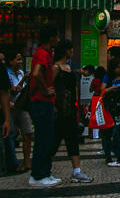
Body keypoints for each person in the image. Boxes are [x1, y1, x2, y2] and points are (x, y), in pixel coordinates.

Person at [51, 39, 93, 183]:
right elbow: (49, 86)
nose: (73, 52)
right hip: (59, 111)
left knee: (72, 140)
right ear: (66, 51)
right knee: (55, 140)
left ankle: (77, 171)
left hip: (70, 110)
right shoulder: (56, 68)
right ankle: (45, 168)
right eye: (71, 49)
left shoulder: (69, 69)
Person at [29, 24, 61, 188]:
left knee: (46, 139)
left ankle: (44, 173)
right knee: (43, 139)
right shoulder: (43, 53)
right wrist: (45, 90)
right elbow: (36, 73)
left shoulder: (43, 53)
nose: (58, 39)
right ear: (51, 38)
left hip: (45, 102)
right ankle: (38, 175)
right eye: (57, 36)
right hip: (42, 101)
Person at [7, 48, 31, 173]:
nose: (20, 62)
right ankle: (12, 162)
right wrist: (23, 80)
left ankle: (27, 162)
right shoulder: (7, 73)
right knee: (10, 135)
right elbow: (13, 90)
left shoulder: (21, 72)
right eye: (18, 59)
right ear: (10, 61)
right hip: (10, 107)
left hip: (21, 107)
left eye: (21, 59)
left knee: (27, 132)